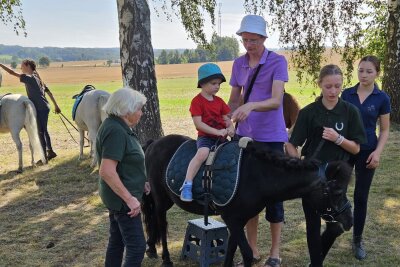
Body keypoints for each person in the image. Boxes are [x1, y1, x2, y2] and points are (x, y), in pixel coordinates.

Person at [286, 64, 367, 267]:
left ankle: (317, 258)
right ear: (320, 84)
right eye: (328, 86)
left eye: (337, 86)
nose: (332, 91)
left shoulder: (350, 111)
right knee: (312, 224)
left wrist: (338, 138)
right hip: (313, 175)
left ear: (342, 85)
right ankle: (316, 263)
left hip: (338, 175)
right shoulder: (309, 112)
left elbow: (356, 148)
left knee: (338, 224)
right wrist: (299, 165)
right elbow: (291, 144)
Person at [228, 14, 289, 267]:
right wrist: (228, 118)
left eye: (253, 40)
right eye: (244, 39)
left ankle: (275, 253)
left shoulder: (277, 62)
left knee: (274, 197)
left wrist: (251, 105)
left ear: (264, 38)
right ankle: (252, 251)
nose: (248, 44)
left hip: (272, 138)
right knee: (248, 197)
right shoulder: (238, 64)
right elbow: (233, 99)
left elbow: (276, 100)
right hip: (245, 138)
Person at [341, 55, 391, 260]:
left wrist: (377, 153)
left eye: (369, 71)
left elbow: (385, 130)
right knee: (338, 191)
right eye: (361, 70)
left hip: (368, 151)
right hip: (345, 149)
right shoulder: (347, 94)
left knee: (361, 197)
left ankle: (357, 240)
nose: (364, 75)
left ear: (377, 73)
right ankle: (344, 217)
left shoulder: (382, 98)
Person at [96, 87, 150, 267]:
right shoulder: (116, 131)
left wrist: (141, 182)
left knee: (117, 241)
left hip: (119, 196)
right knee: (137, 247)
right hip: (123, 201)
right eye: (138, 109)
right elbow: (107, 171)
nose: (141, 113)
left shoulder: (117, 125)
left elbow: (125, 162)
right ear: (126, 111)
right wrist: (130, 199)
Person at [180, 63, 235, 202]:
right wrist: (217, 132)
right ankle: (187, 184)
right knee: (202, 153)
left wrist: (230, 128)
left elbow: (227, 119)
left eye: (219, 84)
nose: (217, 86)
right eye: (213, 83)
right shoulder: (197, 102)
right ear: (202, 83)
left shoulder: (220, 102)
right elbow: (199, 124)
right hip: (206, 138)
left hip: (221, 137)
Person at [0, 60, 61, 161]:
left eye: (22, 66)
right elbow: (49, 92)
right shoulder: (37, 77)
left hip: (40, 107)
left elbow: (12, 73)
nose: (21, 68)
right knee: (44, 130)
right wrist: (55, 105)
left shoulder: (30, 78)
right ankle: (50, 151)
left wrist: (1, 65)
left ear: (28, 66)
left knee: (40, 131)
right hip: (44, 106)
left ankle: (44, 157)